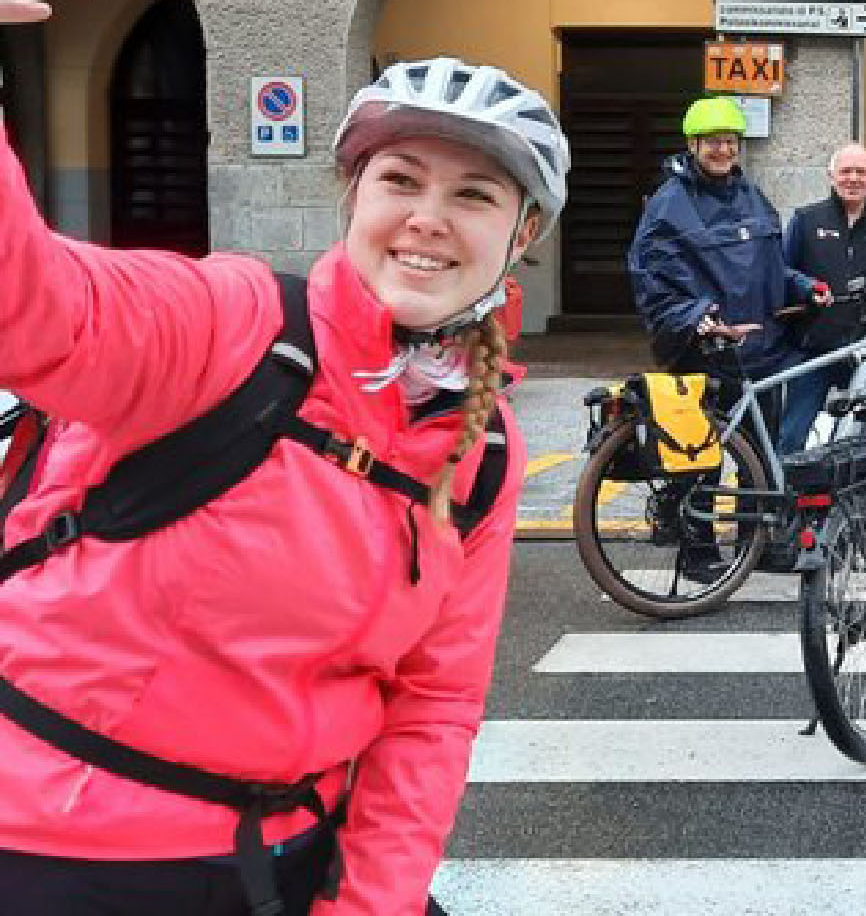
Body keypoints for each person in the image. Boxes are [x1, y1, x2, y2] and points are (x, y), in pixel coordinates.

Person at [0, 45, 566, 910]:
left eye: (475, 195)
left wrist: (369, 903)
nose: (428, 217)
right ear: (353, 197)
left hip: (283, 863)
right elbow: (37, 309)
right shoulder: (232, 322)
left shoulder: (481, 444)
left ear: (520, 235)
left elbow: (433, 705)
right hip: (58, 849)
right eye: (400, 179)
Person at [627, 94, 827, 429]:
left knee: (760, 467)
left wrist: (806, 288)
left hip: (761, 357)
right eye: (714, 141)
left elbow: (771, 267)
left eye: (731, 141)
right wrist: (697, 318)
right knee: (697, 465)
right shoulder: (668, 205)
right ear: (693, 144)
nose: (724, 150)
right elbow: (651, 283)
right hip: (707, 357)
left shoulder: (752, 195)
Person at [781, 142, 866, 451]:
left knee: (865, 439)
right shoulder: (806, 220)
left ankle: (854, 498)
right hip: (810, 349)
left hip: (861, 350)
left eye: (861, 172)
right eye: (846, 171)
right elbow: (780, 272)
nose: (853, 179)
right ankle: (785, 497)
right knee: (792, 436)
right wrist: (807, 287)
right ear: (831, 176)